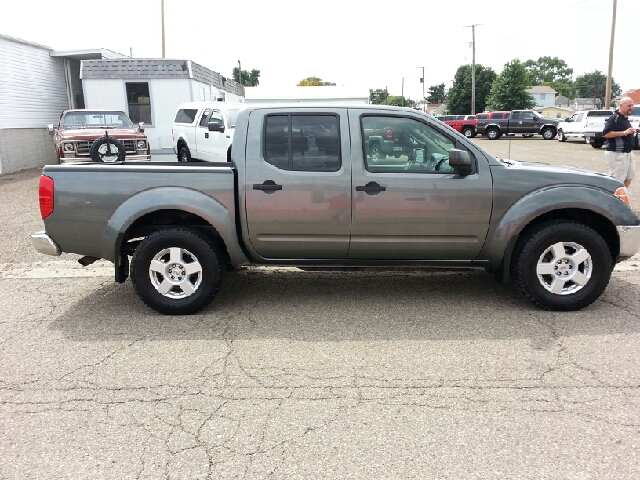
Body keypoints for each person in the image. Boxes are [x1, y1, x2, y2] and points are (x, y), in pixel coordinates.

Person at [602, 97, 639, 188]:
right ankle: (611, 200)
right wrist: (624, 132)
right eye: (629, 105)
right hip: (617, 153)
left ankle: (620, 198)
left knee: (629, 178)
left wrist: (634, 130)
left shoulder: (624, 118)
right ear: (621, 106)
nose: (631, 107)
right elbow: (606, 134)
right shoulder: (615, 118)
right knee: (616, 180)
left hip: (628, 153)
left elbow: (625, 131)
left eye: (632, 105)